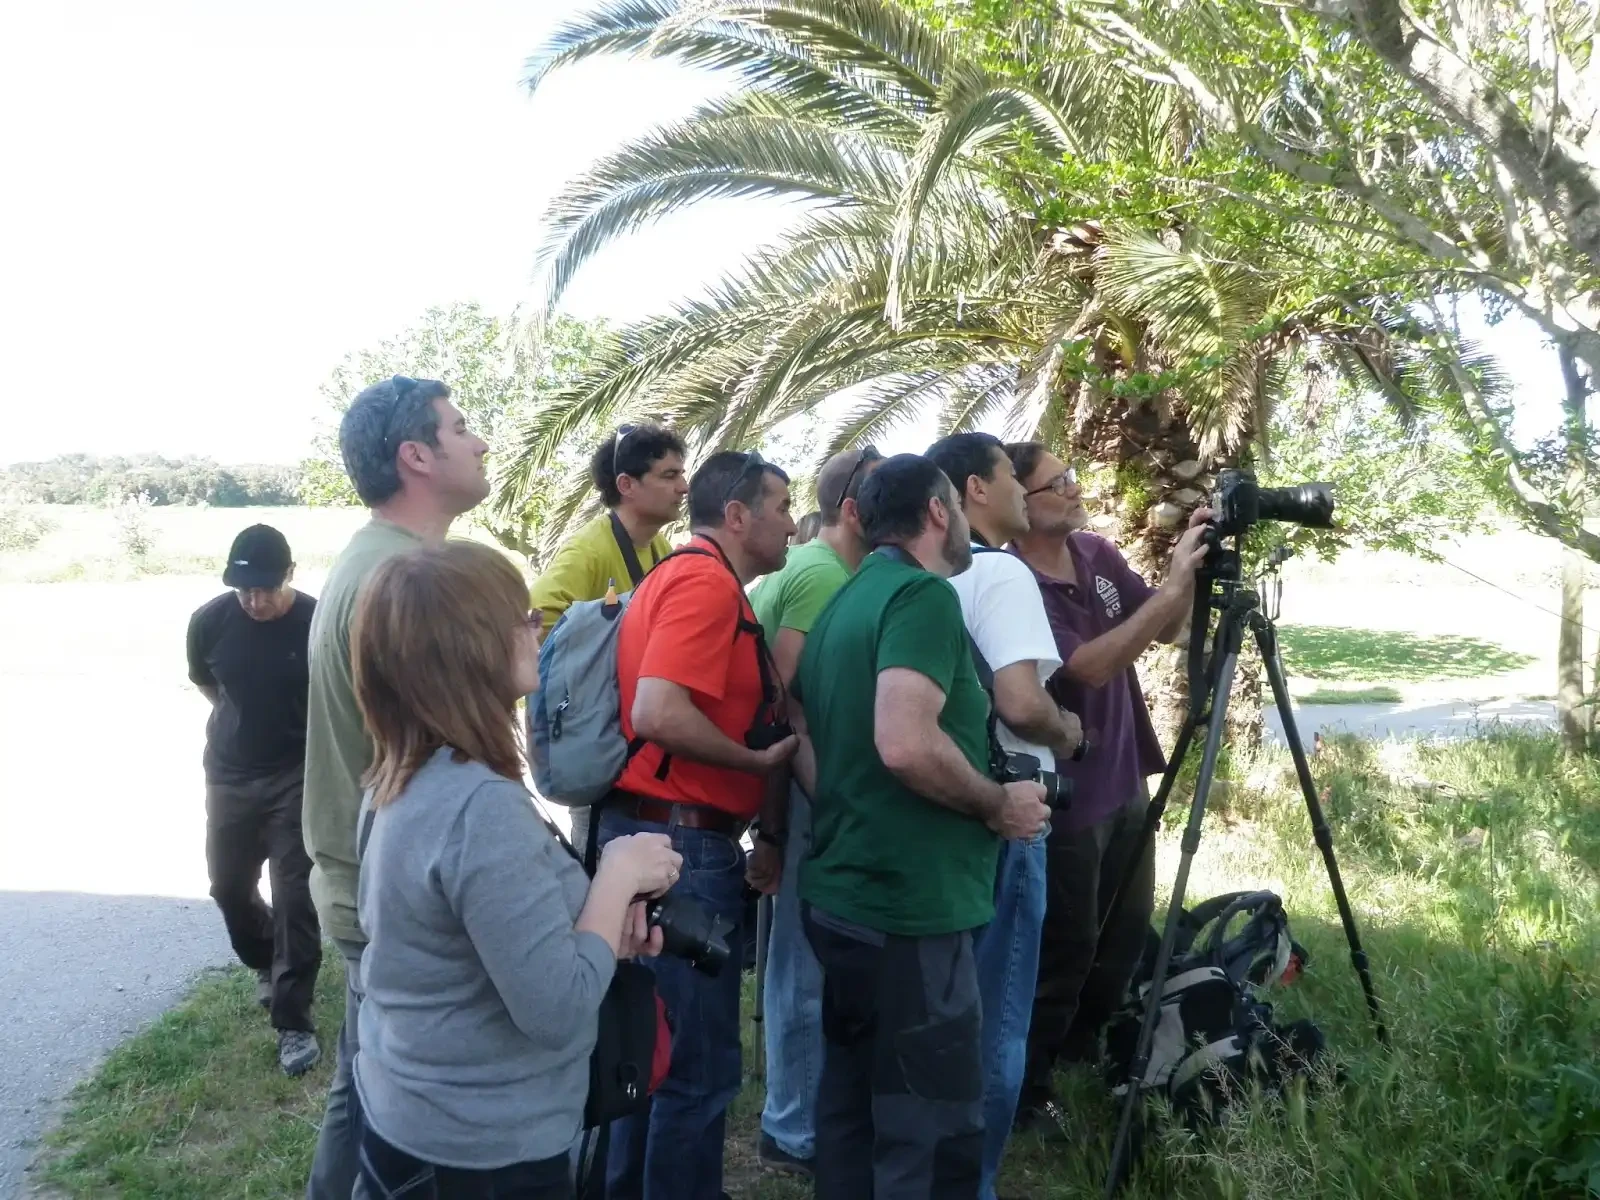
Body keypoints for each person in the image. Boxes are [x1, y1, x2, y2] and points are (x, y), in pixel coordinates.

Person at [348, 539, 683, 1200]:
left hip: (413, 1119)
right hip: (482, 1151)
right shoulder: (480, 806)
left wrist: (600, 928)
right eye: (522, 618)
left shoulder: (405, 774)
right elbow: (556, 1011)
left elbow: (457, 948)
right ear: (471, 650)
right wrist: (616, 874)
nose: (537, 631)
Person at [794, 453, 1051, 1198]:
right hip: (912, 914)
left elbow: (808, 724)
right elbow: (904, 741)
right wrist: (996, 805)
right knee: (929, 1134)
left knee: (849, 1113)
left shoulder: (845, 600)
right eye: (961, 510)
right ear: (939, 512)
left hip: (844, 901)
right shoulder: (922, 598)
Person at [302, 374, 490, 1200]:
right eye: (460, 428)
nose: (479, 441)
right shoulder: (404, 584)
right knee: (402, 1116)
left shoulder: (378, 562)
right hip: (393, 899)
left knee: (363, 1084)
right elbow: (446, 773)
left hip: (363, 883)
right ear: (416, 455)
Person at [599, 450, 800, 1200]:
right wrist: (751, 766)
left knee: (649, 1052)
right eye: (780, 506)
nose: (789, 522)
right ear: (739, 515)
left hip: (657, 835)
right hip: (682, 843)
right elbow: (657, 710)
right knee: (696, 1066)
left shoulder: (690, 577)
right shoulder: (704, 583)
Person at [1005, 441, 1210, 1125]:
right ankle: (1028, 1088)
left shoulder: (1095, 553)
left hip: (1125, 779)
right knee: (1067, 941)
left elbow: (1167, 622)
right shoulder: (1016, 583)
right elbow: (1087, 667)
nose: (1072, 487)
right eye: (1054, 482)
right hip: (1068, 792)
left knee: (1123, 936)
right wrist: (1171, 593)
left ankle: (1081, 1055)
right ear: (1021, 503)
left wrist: (1185, 576)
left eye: (1070, 476)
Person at [925, 434, 1083, 1199]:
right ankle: (973, 1183)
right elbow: (1021, 702)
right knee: (1000, 1017)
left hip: (939, 808)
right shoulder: (1003, 575)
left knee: (943, 1009)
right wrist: (1068, 731)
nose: (1025, 492)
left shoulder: (918, 578)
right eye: (1009, 478)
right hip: (1009, 811)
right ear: (975, 491)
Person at [746, 446, 883, 1177]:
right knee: (802, 969)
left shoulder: (828, 570)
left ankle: (801, 1115)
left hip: (809, 789)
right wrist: (826, 802)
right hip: (808, 792)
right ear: (855, 509)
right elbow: (788, 703)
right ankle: (792, 1126)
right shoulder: (821, 576)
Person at [185, 523, 322, 1077]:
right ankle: (266, 961)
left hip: (297, 775)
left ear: (289, 575)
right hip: (230, 776)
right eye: (245, 590)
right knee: (227, 887)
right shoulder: (210, 621)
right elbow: (209, 685)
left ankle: (293, 1022)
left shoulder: (315, 622)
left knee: (294, 896)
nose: (255, 600)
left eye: (266, 588)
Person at [529, 423, 688, 857]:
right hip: (598, 746)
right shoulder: (589, 550)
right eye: (669, 475)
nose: (684, 487)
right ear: (626, 484)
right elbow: (536, 621)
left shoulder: (661, 549)